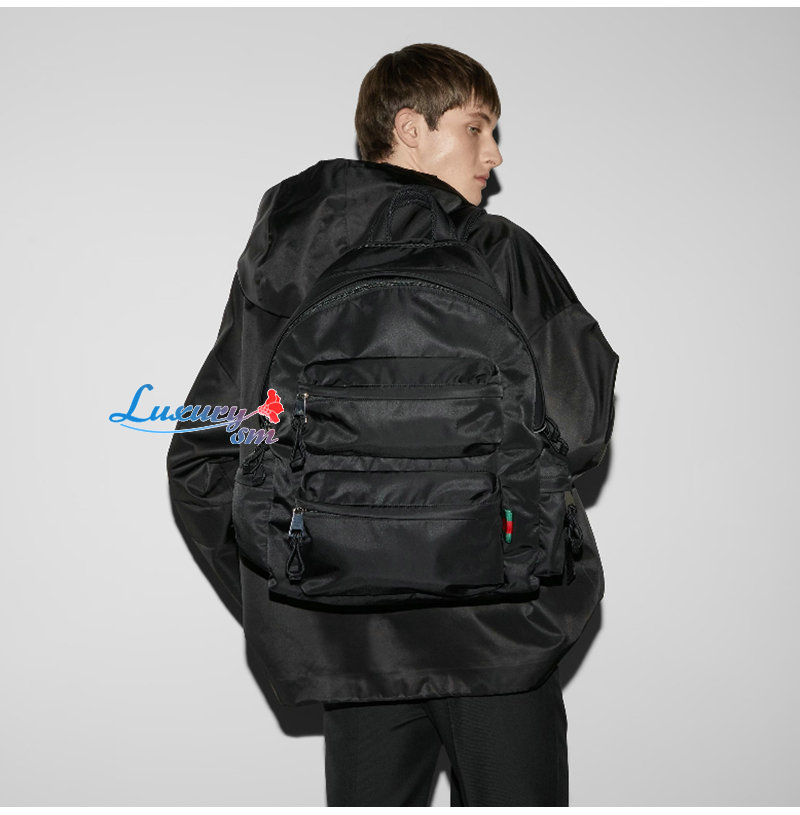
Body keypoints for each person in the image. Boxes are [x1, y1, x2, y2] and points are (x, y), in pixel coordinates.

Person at [167, 43, 618, 806]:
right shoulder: (499, 253)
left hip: (354, 645)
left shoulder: (287, 259)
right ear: (411, 129)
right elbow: (581, 423)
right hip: (502, 636)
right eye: (476, 128)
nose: (494, 155)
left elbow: (207, 451)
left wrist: (292, 593)